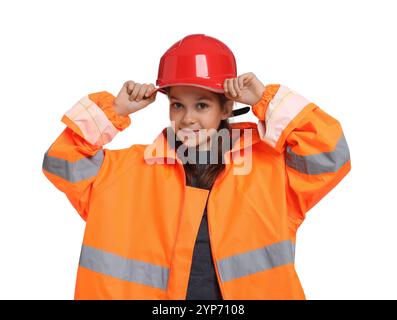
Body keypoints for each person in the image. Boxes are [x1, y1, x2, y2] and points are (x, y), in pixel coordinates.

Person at [42, 34, 351, 300]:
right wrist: (116, 110)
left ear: (226, 107)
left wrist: (265, 99)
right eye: (178, 104)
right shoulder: (126, 171)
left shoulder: (268, 169)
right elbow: (61, 161)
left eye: (201, 104)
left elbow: (328, 154)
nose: (187, 118)